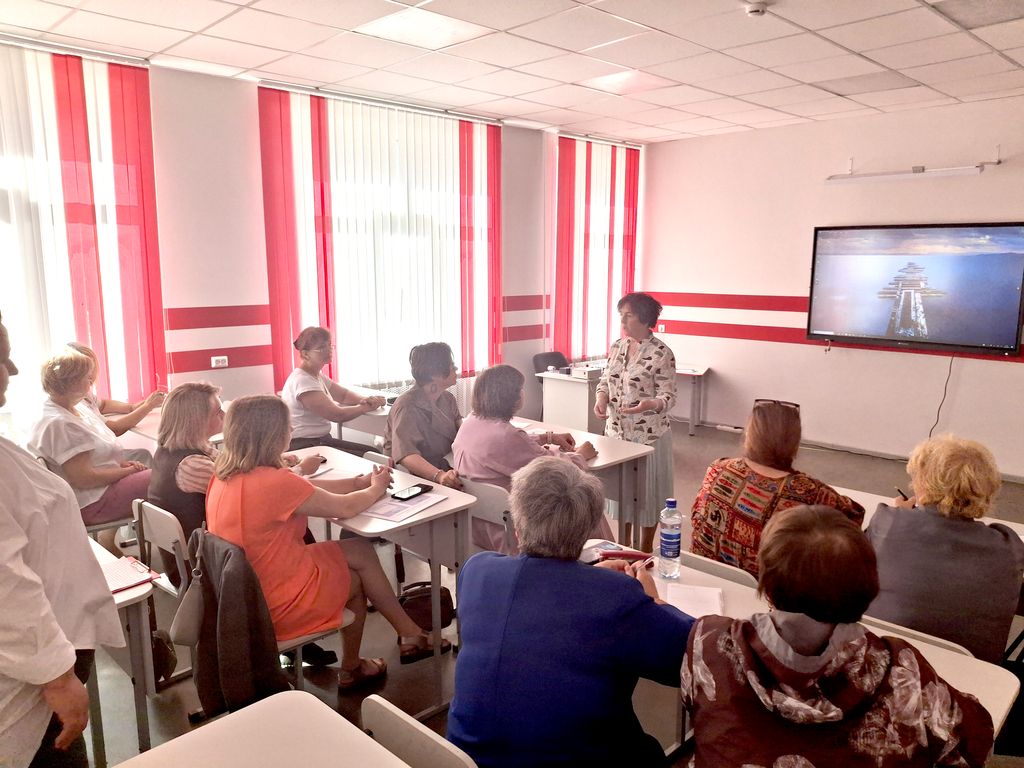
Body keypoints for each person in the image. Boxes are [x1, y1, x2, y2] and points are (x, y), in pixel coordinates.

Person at [682, 504, 993, 767]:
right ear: (867, 585)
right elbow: (972, 735)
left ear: (768, 583)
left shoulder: (707, 641)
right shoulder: (902, 668)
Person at [447, 457, 694, 767]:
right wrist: (654, 601)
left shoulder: (477, 571)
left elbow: (542, 601)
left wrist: (592, 578)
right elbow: (693, 657)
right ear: (586, 531)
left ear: (518, 525)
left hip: (467, 758)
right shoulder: (617, 598)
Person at [205, 395, 448, 690]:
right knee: (357, 581)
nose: (291, 430)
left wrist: (358, 484)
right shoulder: (275, 483)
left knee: (359, 550)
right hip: (276, 604)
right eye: (287, 426)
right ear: (271, 435)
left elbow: (306, 488)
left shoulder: (224, 476)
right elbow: (345, 508)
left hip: (246, 594)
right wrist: (376, 488)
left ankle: (408, 633)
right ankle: (354, 666)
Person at [0, 311, 124, 768]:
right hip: (32, 686)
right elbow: (5, 581)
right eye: (3, 359)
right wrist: (56, 676)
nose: (13, 371)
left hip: (53, 651)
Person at [866, 434, 1024, 662]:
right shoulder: (1009, 546)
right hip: (969, 677)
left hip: (884, 664)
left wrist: (900, 515)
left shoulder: (887, 521)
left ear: (924, 483)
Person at [689, 398, 863, 577]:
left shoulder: (718, 468)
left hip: (703, 576)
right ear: (794, 442)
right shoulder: (811, 493)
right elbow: (853, 524)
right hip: (767, 588)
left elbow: (696, 516)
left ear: (749, 436)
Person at [453, 364, 602, 551]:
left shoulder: (471, 422)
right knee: (583, 501)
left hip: (477, 524)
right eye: (520, 389)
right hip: (514, 528)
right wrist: (580, 454)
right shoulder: (507, 436)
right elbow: (555, 468)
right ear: (511, 397)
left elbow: (511, 445)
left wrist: (547, 437)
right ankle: (606, 557)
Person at [28, 348, 152, 553]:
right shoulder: (60, 423)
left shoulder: (71, 409)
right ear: (73, 382)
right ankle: (178, 555)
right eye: (87, 378)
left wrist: (122, 465)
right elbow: (84, 478)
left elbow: (95, 457)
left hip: (95, 492)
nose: (91, 383)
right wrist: (126, 471)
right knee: (165, 480)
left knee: (164, 478)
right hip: (91, 501)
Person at [595, 292, 677, 553]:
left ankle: (644, 549)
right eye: (621, 315)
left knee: (648, 496)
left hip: (648, 437)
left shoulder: (661, 353)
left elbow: (668, 397)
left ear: (644, 318)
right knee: (623, 495)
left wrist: (649, 404)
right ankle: (623, 545)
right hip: (618, 435)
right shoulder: (617, 346)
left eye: (628, 316)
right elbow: (605, 380)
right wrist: (601, 398)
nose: (622, 321)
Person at [280, 326, 385, 453]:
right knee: (370, 455)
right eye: (322, 348)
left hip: (320, 440)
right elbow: (336, 415)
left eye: (329, 345)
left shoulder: (316, 375)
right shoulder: (303, 380)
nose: (329, 350)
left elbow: (343, 395)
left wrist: (367, 399)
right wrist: (364, 407)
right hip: (305, 445)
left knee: (372, 452)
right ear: (305, 354)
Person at [384, 342, 462, 488]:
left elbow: (461, 431)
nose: (456, 368)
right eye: (451, 365)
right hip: (415, 477)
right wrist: (440, 476)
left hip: (448, 466)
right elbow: (406, 455)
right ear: (434, 374)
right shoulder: (406, 405)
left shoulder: (448, 398)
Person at [66, 342, 164, 439]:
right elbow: (114, 429)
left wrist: (131, 407)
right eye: (87, 371)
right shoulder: (76, 403)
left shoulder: (83, 392)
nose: (92, 375)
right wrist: (148, 406)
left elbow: (103, 405)